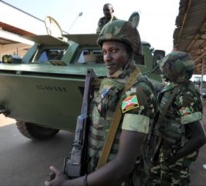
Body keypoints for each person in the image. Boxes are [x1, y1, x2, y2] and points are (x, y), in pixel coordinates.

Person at [44, 19, 158, 186]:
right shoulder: (111, 81)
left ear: (130, 52)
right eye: (104, 52)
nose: (107, 58)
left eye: (114, 51)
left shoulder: (137, 92)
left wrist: (67, 185)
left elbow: (124, 165)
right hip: (98, 173)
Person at [146, 51, 206, 186]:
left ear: (176, 71)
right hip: (164, 150)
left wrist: (174, 157)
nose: (163, 71)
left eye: (167, 68)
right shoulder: (174, 86)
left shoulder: (185, 96)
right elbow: (161, 89)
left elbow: (200, 138)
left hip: (174, 157)